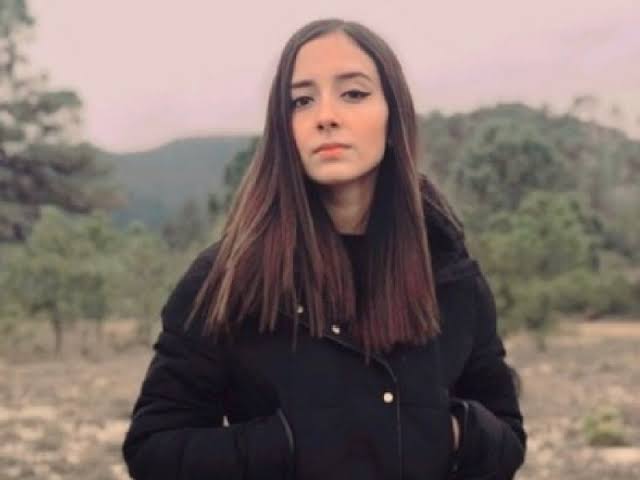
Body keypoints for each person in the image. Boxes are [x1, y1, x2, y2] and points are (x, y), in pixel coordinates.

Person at [121, 18, 526, 480]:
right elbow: (154, 450)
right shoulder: (227, 278)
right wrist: (291, 445)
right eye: (302, 100)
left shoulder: (448, 272)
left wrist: (447, 433)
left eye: (353, 93)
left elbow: (507, 438)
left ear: (393, 116)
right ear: (284, 127)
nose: (325, 116)